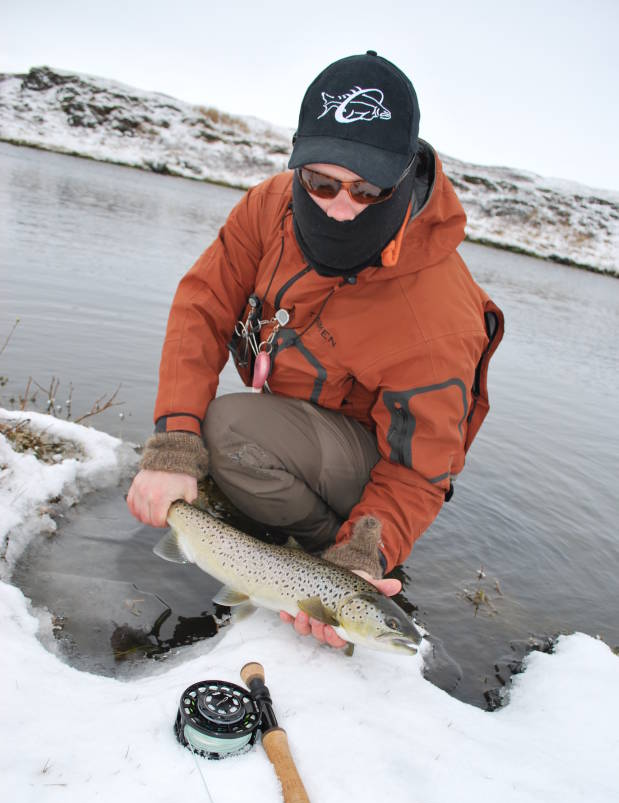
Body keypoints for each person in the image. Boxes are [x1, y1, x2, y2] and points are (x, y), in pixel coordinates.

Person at [127, 50, 503, 650]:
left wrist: (361, 552)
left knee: (228, 429)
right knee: (209, 434)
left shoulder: (437, 318)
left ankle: (342, 556)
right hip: (301, 427)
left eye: (368, 189)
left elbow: (419, 471)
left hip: (375, 462)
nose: (339, 205)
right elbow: (202, 308)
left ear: (405, 177)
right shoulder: (270, 204)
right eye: (321, 182)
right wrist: (172, 445)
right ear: (297, 163)